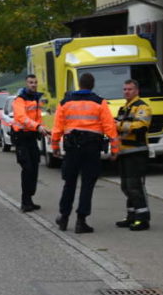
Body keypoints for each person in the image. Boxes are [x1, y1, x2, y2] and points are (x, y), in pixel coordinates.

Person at [51, 71, 119, 234]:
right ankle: (81, 221)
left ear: (79, 85)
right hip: (91, 148)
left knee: (69, 183)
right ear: (92, 85)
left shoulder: (65, 102)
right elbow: (110, 127)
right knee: (87, 184)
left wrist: (54, 147)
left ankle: (64, 217)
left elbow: (57, 126)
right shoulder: (100, 102)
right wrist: (115, 149)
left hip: (72, 148)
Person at [115, 79, 152, 231]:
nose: (126, 92)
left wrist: (118, 125)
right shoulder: (123, 108)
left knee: (135, 186)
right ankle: (132, 216)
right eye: (124, 89)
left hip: (137, 152)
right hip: (124, 152)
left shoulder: (142, 107)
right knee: (126, 187)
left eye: (129, 89)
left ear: (136, 91)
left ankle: (143, 219)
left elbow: (140, 127)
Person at [12, 74, 50, 212]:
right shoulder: (20, 100)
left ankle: (30, 199)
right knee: (27, 169)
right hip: (21, 138)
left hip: (32, 138)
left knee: (34, 168)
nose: (33, 85)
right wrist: (37, 127)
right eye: (30, 82)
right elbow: (22, 118)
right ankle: (25, 201)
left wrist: (44, 129)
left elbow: (38, 118)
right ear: (26, 83)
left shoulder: (35, 99)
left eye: (35, 82)